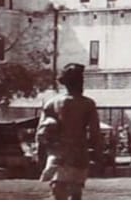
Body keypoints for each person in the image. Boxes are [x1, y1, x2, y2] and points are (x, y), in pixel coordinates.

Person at [36, 63, 103, 200]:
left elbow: (40, 133)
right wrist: (98, 155)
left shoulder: (51, 103)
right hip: (79, 153)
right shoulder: (87, 104)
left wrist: (40, 154)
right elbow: (95, 132)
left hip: (58, 154)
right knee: (75, 193)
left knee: (58, 191)